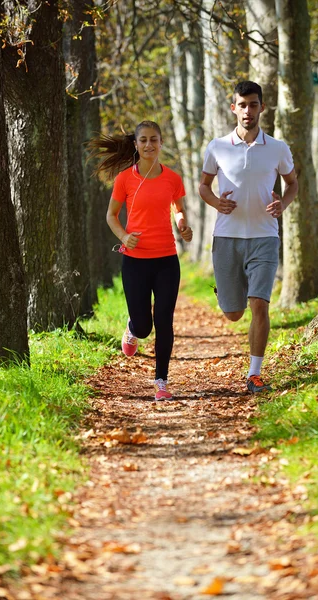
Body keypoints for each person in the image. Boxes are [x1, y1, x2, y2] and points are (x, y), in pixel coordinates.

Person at [199, 81, 298, 394]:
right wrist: (217, 202)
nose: (247, 111)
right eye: (242, 105)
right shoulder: (217, 146)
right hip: (227, 237)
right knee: (233, 313)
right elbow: (203, 186)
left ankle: (254, 374)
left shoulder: (279, 148)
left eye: (253, 105)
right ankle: (227, 290)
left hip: (264, 237)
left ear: (262, 108)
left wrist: (283, 202)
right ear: (233, 108)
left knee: (259, 305)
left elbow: (292, 183)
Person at [89, 120, 193, 401]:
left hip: (167, 260)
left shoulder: (173, 178)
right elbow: (111, 216)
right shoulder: (125, 179)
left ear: (161, 143)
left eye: (154, 140)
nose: (149, 145)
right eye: (143, 140)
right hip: (135, 260)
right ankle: (133, 328)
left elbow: (178, 209)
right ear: (136, 144)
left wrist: (183, 225)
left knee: (164, 321)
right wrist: (123, 237)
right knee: (145, 326)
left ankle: (161, 382)